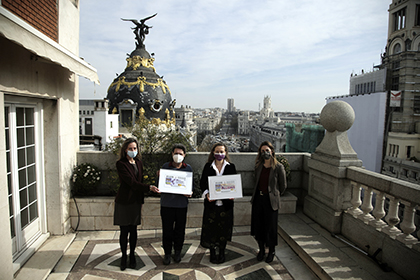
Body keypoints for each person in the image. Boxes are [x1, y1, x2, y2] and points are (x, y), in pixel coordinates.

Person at [113, 138, 159, 271]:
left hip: (135, 201)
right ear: (125, 150)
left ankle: (132, 254)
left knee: (133, 230)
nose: (133, 151)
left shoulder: (138, 163)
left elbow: (139, 180)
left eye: (134, 148)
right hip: (124, 201)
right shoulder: (121, 164)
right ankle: (123, 256)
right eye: (130, 149)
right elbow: (131, 182)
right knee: (124, 231)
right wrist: (149, 187)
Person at [200, 142, 237, 264]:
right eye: (217, 151)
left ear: (226, 153)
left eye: (222, 151)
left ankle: (222, 251)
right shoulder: (207, 166)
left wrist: (233, 194)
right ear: (213, 153)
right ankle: (212, 252)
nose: (219, 154)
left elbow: (234, 184)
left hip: (225, 206)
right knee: (211, 229)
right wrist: (207, 194)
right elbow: (203, 183)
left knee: (223, 229)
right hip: (211, 205)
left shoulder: (231, 167)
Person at [251, 141, 287, 263]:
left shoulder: (278, 167)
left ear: (272, 151)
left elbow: (283, 186)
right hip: (258, 199)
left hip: (271, 201)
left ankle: (271, 251)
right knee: (259, 226)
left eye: (267, 150)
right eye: (262, 151)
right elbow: (255, 181)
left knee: (271, 227)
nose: (265, 153)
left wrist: (274, 195)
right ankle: (261, 250)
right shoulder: (258, 166)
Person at [159, 144, 193, 265]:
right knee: (167, 230)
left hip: (181, 205)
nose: (178, 156)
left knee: (180, 230)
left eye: (180, 154)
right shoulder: (165, 167)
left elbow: (190, 186)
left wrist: (190, 192)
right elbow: (162, 185)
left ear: (184, 156)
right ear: (172, 154)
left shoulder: (188, 168)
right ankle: (167, 253)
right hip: (167, 204)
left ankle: (177, 251)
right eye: (176, 153)